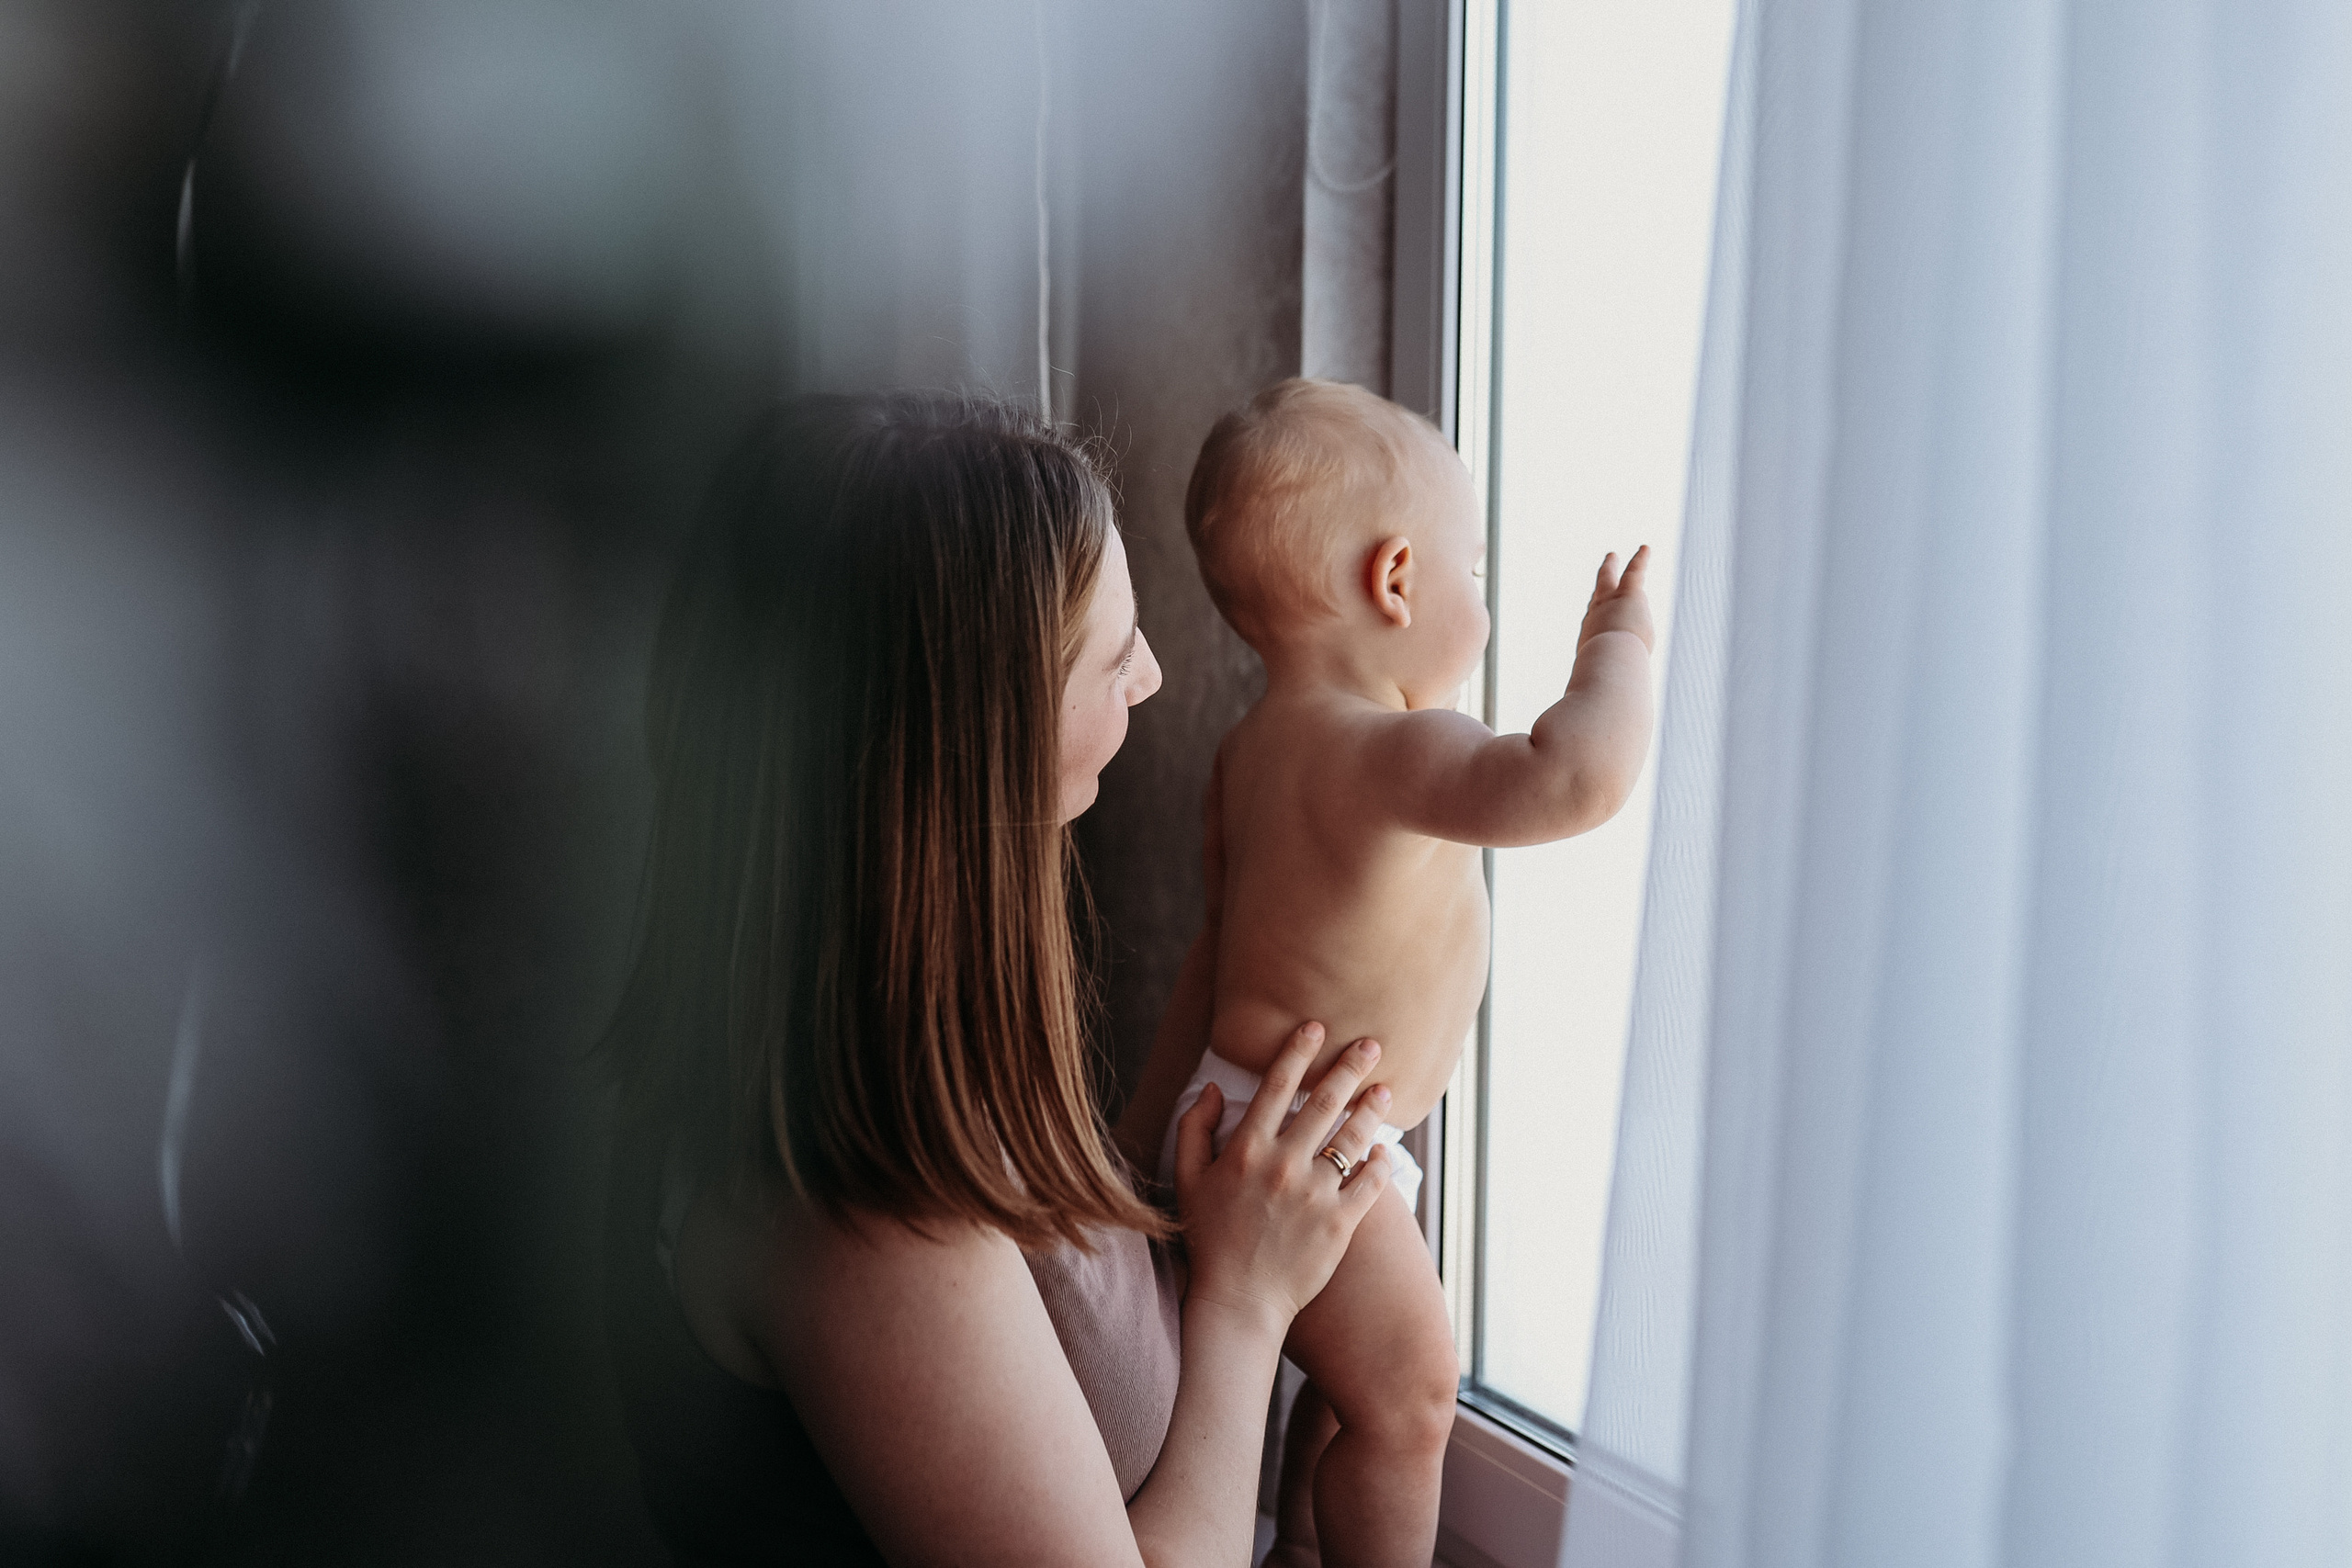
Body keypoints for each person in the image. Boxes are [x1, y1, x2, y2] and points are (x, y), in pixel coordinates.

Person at [599, 391, 1401, 1567]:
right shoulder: (850, 1206)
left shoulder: (906, 1050)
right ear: (973, 737)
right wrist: (1245, 1307)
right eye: (1113, 652)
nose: (1157, 678)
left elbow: (1066, 1311)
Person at [1114, 378, 1656, 1567]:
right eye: (1476, 571)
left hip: (1250, 1110)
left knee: (1348, 1385)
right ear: (1398, 579)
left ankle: (1303, 1547)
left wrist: (1141, 1139)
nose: (1485, 604)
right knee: (1413, 1390)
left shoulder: (1250, 752)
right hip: (1306, 1133)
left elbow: (1211, 960)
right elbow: (1573, 779)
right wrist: (1618, 651)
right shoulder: (1391, 747)